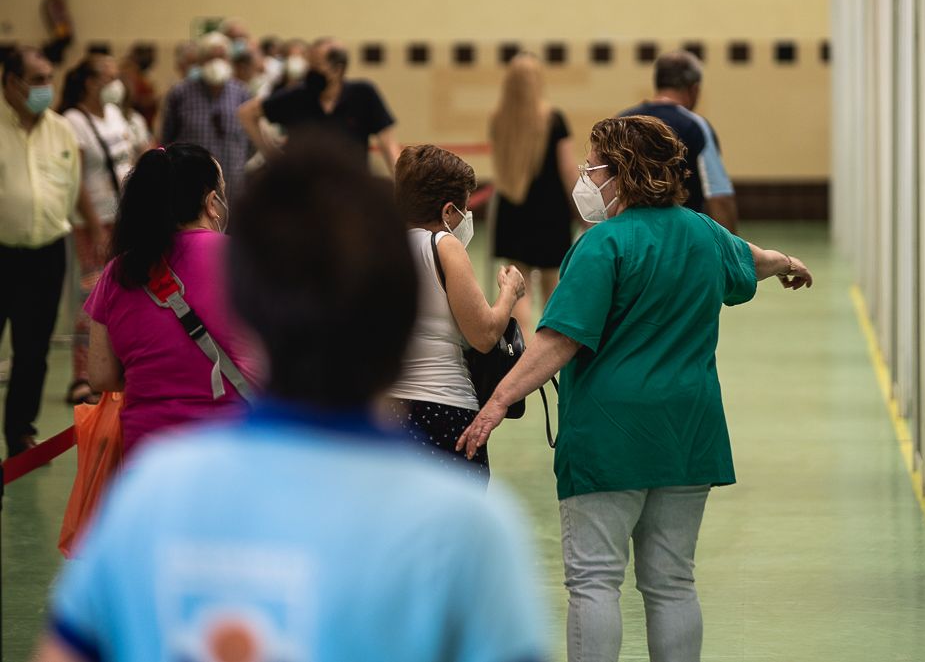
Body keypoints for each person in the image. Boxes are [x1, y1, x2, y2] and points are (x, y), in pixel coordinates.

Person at [35, 135, 548, 662]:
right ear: (398, 321)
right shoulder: (467, 528)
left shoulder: (147, 497)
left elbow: (101, 373)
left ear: (254, 312)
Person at [458, 115, 813, 662]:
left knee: (595, 580)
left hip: (610, 436)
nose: (585, 177)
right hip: (687, 433)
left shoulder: (604, 245)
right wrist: (789, 263)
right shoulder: (703, 232)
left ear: (622, 174)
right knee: (672, 582)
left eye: (593, 167)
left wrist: (498, 400)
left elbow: (558, 342)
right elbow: (755, 259)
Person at [83, 143, 260, 456]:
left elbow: (101, 375)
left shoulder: (117, 272)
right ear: (211, 202)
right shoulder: (243, 257)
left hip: (148, 456)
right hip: (234, 445)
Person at [388, 145, 526, 483]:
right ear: (449, 211)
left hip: (389, 407)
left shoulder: (380, 246)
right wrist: (509, 293)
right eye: (465, 208)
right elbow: (483, 335)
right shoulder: (444, 245)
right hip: (442, 407)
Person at [0, 46, 81, 458]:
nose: (46, 88)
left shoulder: (62, 130)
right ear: (11, 82)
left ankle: (20, 434)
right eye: (37, 80)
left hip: (46, 254)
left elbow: (71, 188)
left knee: (34, 350)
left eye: (49, 78)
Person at [59, 53, 142, 403]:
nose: (116, 83)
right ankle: (82, 375)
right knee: (91, 298)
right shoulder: (73, 121)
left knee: (125, 292)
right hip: (93, 221)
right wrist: (94, 225)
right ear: (90, 82)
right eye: (108, 77)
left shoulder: (114, 115)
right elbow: (76, 179)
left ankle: (118, 368)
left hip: (123, 216)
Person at [489, 53, 576, 337]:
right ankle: (553, 349)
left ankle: (521, 347)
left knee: (516, 286)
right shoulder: (554, 119)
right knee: (554, 284)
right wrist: (583, 210)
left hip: (512, 207)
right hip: (550, 210)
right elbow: (567, 170)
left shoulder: (498, 119)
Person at [618, 50, 739, 233]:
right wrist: (731, 253)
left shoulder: (622, 122)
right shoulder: (696, 127)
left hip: (629, 238)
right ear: (694, 89)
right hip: (683, 241)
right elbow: (719, 197)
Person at [239, 37, 401, 168]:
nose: (310, 71)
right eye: (309, 65)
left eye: (316, 65)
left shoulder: (363, 94)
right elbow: (246, 113)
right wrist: (273, 157)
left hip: (352, 193)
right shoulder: (297, 96)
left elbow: (388, 144)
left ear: (338, 69)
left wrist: (401, 187)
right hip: (306, 195)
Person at [160, 32, 253, 206]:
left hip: (233, 188)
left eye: (221, 57)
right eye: (211, 57)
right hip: (190, 188)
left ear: (229, 60)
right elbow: (167, 138)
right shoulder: (180, 93)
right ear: (200, 61)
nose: (216, 62)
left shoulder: (242, 93)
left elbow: (251, 141)